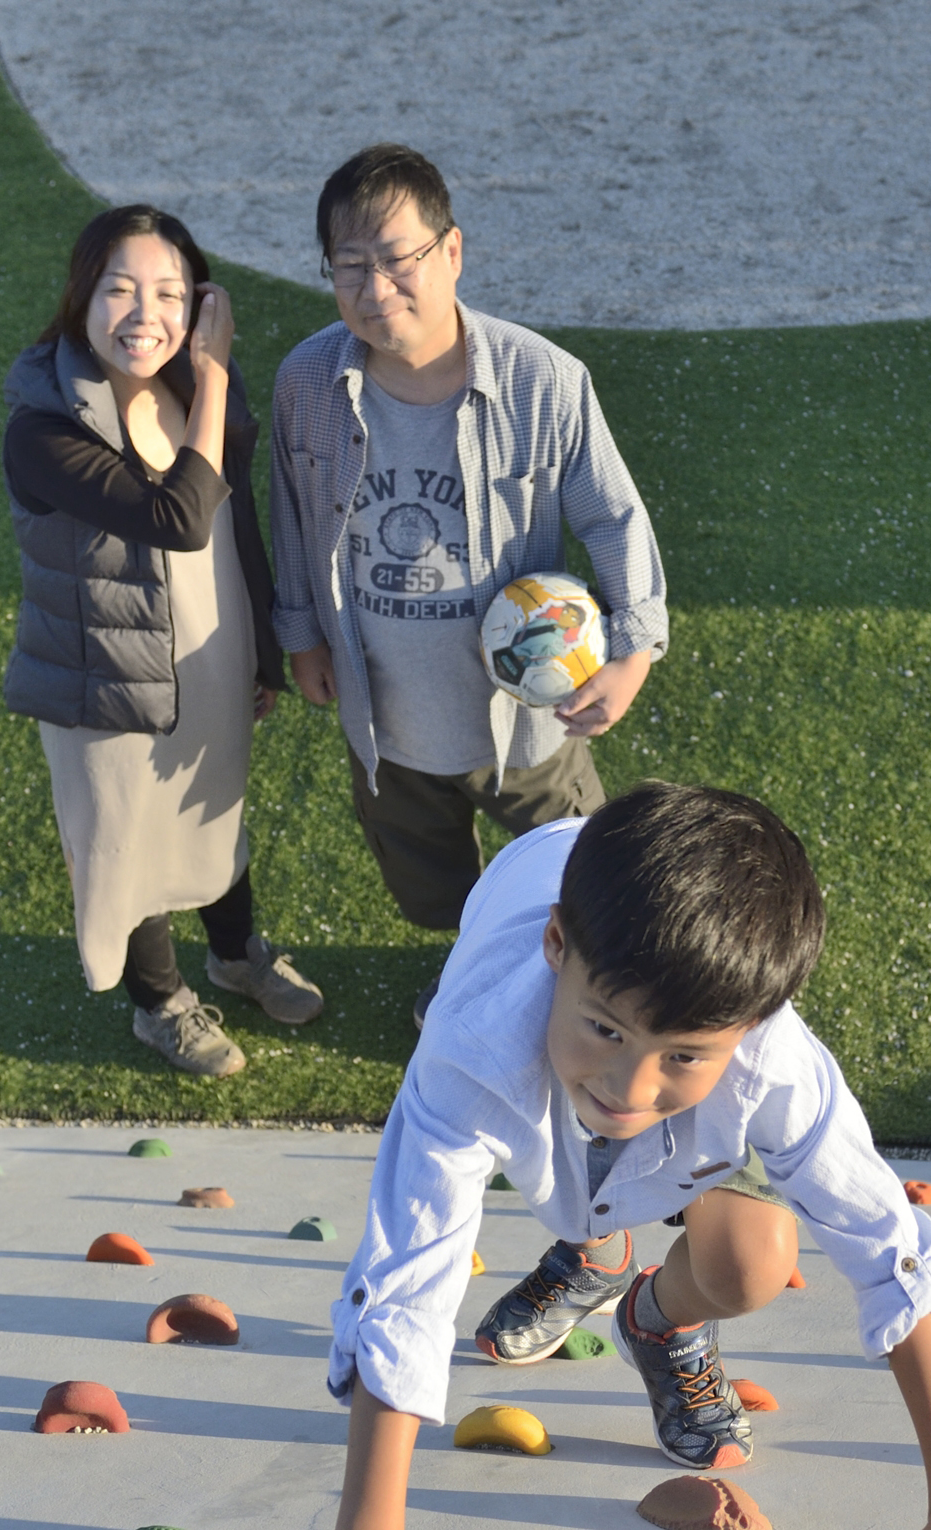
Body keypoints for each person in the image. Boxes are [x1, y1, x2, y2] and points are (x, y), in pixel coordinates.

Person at [302, 782, 931, 1530]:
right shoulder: (470, 1046)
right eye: (605, 1028)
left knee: (753, 1264)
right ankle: (591, 1246)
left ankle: (647, 1308)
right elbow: (409, 1279)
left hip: (691, 1102)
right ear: (556, 946)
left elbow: (892, 1249)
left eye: (683, 1052)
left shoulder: (772, 1063)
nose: (630, 1086)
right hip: (537, 944)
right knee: (577, 1190)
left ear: (752, 1026)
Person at [268, 144, 668, 1027]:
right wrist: (299, 632)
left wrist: (635, 646)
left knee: (576, 873)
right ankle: (478, 972)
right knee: (430, 885)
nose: (376, 290)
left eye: (398, 260)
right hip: (388, 719)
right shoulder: (307, 381)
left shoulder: (544, 380)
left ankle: (574, 1005)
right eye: (350, 268)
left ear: (451, 252)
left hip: (526, 719)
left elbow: (611, 514)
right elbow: (293, 511)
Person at [0, 204, 324, 1076]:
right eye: (122, 290)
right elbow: (179, 517)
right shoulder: (43, 427)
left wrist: (257, 647)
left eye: (171, 294)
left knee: (212, 807)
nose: (147, 315)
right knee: (126, 834)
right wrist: (215, 373)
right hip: (103, 673)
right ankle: (161, 1004)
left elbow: (230, 525)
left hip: (206, 649)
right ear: (81, 297)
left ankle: (234, 953)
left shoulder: (189, 393)